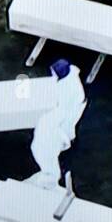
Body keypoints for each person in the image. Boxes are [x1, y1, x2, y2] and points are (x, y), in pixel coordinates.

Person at [28, 59, 87, 189]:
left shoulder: (68, 89)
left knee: (61, 139)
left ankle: (55, 174)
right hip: (65, 116)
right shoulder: (69, 80)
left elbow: (63, 109)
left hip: (66, 118)